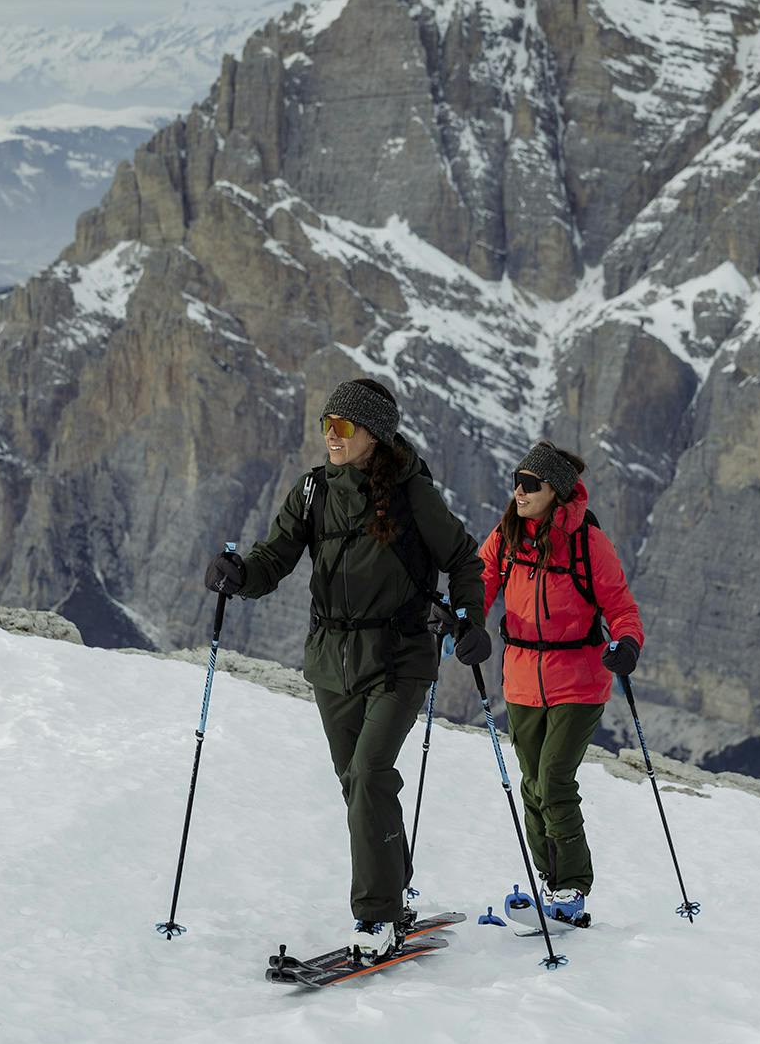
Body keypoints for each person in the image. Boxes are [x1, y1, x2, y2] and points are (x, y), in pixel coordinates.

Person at [202, 376, 484, 956]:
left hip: (400, 658)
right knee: (356, 783)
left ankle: (377, 917)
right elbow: (273, 557)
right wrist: (239, 575)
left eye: (344, 426)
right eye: (326, 424)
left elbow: (463, 559)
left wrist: (470, 620)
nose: (331, 436)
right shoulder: (312, 491)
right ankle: (395, 889)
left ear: (373, 436)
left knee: (370, 773)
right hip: (332, 663)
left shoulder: (411, 493)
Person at [478, 439, 644, 929]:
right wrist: (463, 618)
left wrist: (628, 644)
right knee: (532, 786)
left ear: (556, 491)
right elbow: (481, 578)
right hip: (522, 681)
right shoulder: (507, 535)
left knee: (553, 780)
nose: (519, 492)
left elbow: (620, 607)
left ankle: (572, 886)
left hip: (580, 681)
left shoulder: (589, 543)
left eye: (530, 485)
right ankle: (550, 883)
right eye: (516, 482)